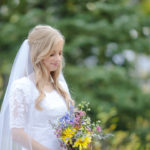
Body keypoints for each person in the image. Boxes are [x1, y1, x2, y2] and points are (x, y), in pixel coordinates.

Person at [0, 25, 75, 150]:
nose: (58, 59)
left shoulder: (61, 87)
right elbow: (17, 133)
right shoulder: (22, 86)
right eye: (52, 54)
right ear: (39, 54)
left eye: (60, 53)